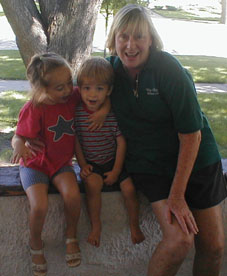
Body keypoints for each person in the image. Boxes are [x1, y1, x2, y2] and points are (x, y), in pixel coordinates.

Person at [104, 4, 227, 276]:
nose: (130, 44)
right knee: (179, 241)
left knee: (214, 246)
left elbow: (191, 134)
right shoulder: (108, 72)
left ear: (151, 40)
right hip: (150, 163)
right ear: (113, 40)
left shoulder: (168, 69)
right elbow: (70, 100)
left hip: (196, 157)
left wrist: (178, 194)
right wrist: (26, 137)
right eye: (123, 36)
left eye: (139, 36)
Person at [11, 52, 83, 276]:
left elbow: (94, 93)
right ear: (42, 89)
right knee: (39, 205)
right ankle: (35, 243)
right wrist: (18, 146)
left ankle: (71, 235)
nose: (67, 90)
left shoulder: (73, 97)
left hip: (61, 164)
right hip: (34, 165)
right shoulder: (34, 108)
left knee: (72, 195)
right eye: (59, 88)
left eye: (69, 83)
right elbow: (18, 136)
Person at [74, 56, 145, 247]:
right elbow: (76, 141)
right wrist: (83, 165)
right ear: (79, 89)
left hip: (114, 162)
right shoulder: (78, 113)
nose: (92, 94)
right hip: (93, 164)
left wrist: (116, 170)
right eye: (87, 88)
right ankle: (96, 226)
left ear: (109, 91)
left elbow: (121, 142)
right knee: (92, 186)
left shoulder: (112, 114)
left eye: (99, 88)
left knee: (129, 189)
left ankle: (134, 225)